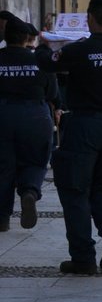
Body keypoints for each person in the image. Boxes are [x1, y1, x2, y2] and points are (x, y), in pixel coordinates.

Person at [37, 0, 102, 275]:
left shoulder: (80, 50)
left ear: (89, 19)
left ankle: (83, 256)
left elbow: (48, 63)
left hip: (86, 126)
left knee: (74, 190)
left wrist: (43, 45)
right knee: (101, 186)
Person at [0, 19, 51, 233]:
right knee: (36, 159)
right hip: (35, 115)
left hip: (2, 114)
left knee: (3, 167)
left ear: (5, 36)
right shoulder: (39, 61)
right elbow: (52, 93)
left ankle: (2, 217)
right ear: (27, 39)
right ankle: (29, 191)